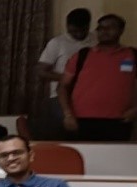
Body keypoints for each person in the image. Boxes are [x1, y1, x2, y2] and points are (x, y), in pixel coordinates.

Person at [59, 13, 137, 142]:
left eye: (110, 27)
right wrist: (67, 114)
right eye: (100, 28)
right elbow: (62, 87)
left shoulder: (132, 55)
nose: (104, 31)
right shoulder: (82, 55)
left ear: (121, 30)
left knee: (114, 160)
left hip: (119, 120)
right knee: (80, 160)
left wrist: (135, 110)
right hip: (80, 120)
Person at [35, 9, 93, 139]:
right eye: (73, 31)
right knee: (64, 132)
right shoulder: (57, 43)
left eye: (81, 30)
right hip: (60, 96)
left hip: (87, 95)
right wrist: (70, 78)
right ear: (67, 26)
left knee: (86, 133)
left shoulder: (95, 40)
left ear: (88, 26)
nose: (77, 34)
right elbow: (41, 71)